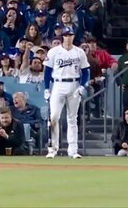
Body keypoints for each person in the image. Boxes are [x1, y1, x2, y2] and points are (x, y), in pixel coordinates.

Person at [43, 27, 90, 159]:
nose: (68, 37)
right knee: (54, 117)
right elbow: (47, 71)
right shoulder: (54, 52)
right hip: (58, 84)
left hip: (74, 84)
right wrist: (46, 88)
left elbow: (86, 71)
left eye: (70, 35)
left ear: (73, 36)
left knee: (72, 119)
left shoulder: (79, 52)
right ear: (62, 37)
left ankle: (73, 150)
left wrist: (82, 86)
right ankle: (52, 149)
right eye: (66, 35)